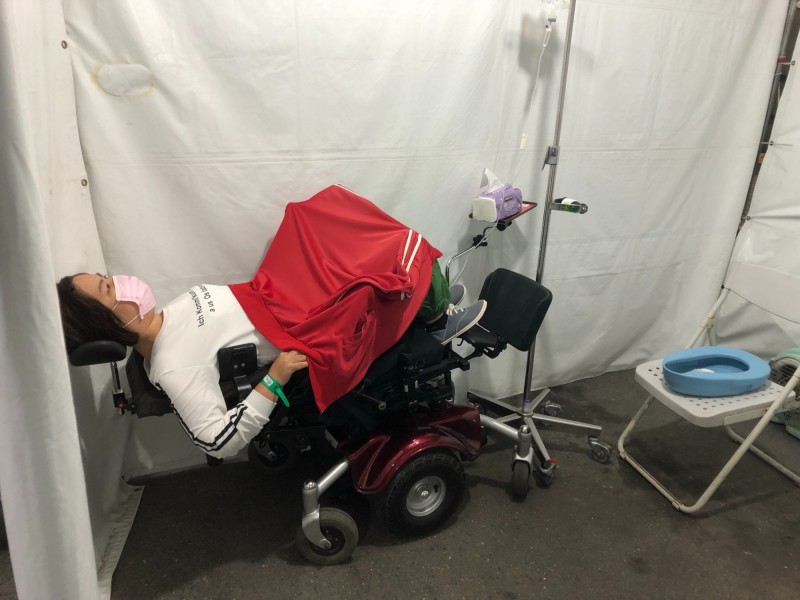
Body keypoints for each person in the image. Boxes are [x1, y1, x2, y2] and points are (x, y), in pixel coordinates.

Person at [57, 262, 485, 459]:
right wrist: (274, 379)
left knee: (337, 229)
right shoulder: (173, 365)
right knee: (390, 260)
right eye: (109, 290)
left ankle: (431, 306)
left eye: (107, 278)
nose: (120, 281)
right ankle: (437, 322)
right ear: (107, 323)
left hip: (283, 298)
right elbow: (217, 442)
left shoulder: (166, 319)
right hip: (303, 326)